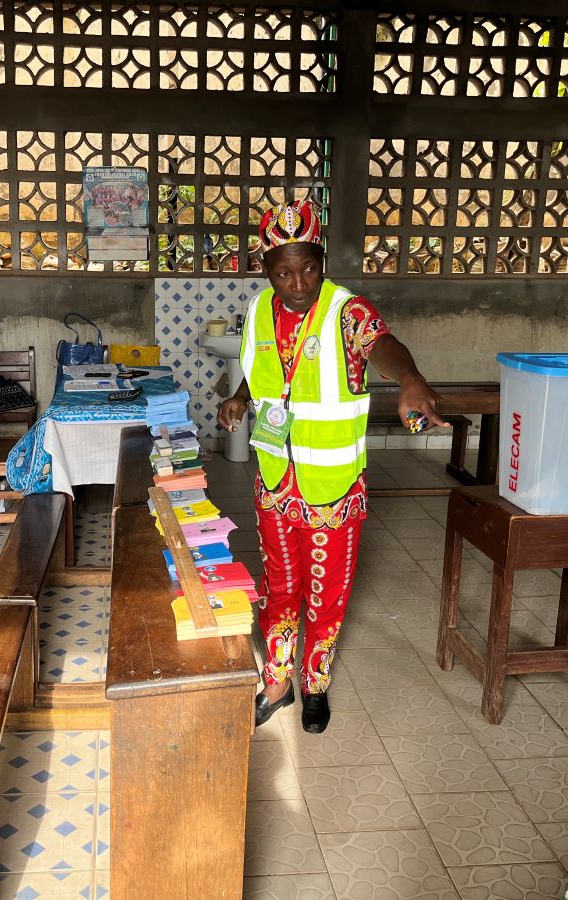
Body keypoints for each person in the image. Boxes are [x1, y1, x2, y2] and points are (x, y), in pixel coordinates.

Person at [217, 199, 447, 733]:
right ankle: (278, 683)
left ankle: (315, 683)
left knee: (326, 594)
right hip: (275, 482)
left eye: (310, 268)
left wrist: (408, 379)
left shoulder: (348, 311)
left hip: (333, 488)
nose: (299, 284)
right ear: (266, 269)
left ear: (322, 260)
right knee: (279, 589)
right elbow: (265, 370)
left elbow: (382, 345)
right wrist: (240, 398)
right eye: (284, 273)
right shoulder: (256, 311)